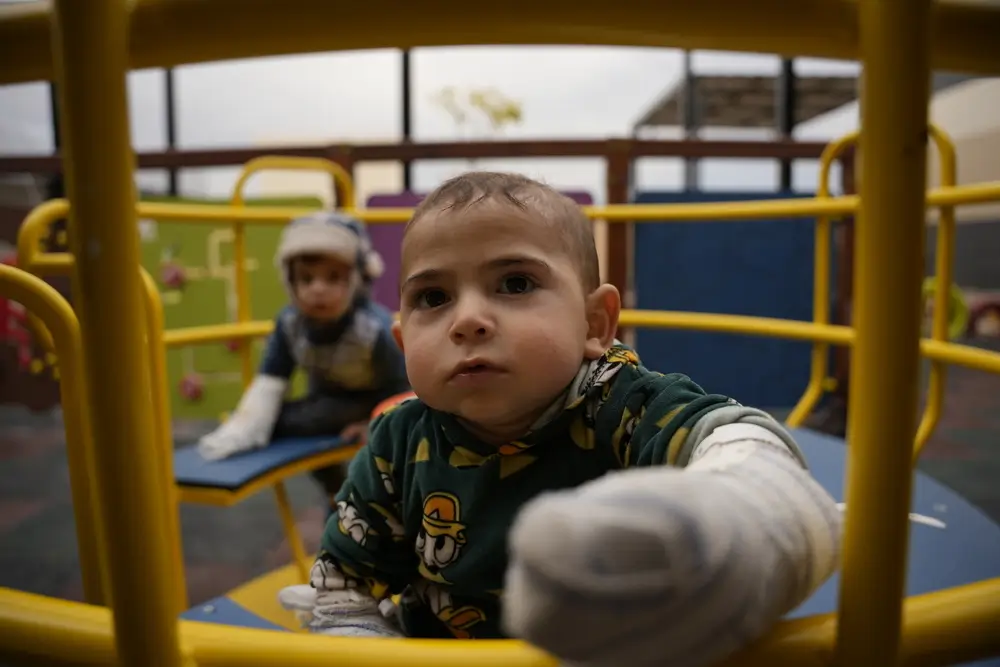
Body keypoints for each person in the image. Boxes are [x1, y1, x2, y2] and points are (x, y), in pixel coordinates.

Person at [278, 173, 842, 667]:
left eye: (516, 283)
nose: (468, 319)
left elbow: (737, 444)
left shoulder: (623, 403)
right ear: (402, 343)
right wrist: (360, 639)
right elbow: (345, 585)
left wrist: (734, 521)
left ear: (596, 323)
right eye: (432, 296)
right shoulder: (398, 438)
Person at [197, 212, 410, 512]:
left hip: (371, 399)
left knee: (307, 422)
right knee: (289, 423)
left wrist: (373, 423)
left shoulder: (371, 328)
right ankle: (335, 492)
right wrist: (246, 425)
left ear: (355, 281)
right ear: (290, 283)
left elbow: (401, 383)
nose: (318, 289)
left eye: (333, 278)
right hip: (323, 397)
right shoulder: (289, 323)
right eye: (306, 279)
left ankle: (358, 498)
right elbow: (271, 378)